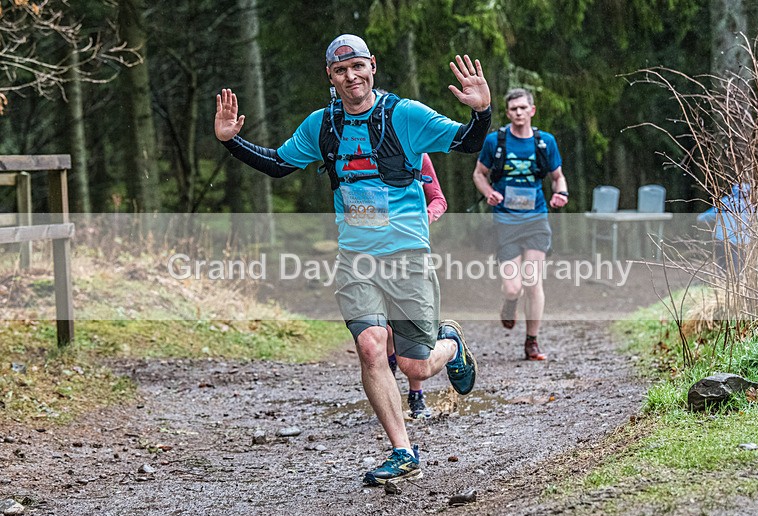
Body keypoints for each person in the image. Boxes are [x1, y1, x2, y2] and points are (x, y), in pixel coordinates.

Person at [215, 34, 490, 486]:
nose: (351, 76)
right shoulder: (321, 126)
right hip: (357, 258)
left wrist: (481, 112)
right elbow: (280, 164)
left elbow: (464, 143)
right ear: (330, 76)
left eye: (358, 66)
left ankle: (452, 345)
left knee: (415, 365)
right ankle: (403, 451)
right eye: (341, 70)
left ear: (373, 66)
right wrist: (232, 141)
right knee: (370, 347)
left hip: (406, 256)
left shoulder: (405, 115)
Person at [471, 88, 568, 361]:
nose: (518, 113)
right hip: (505, 221)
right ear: (508, 112)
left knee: (533, 280)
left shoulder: (545, 142)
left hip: (536, 219)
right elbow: (479, 174)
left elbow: (558, 177)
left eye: (523, 108)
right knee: (514, 287)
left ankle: (532, 341)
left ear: (532, 111)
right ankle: (510, 303)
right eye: (513, 109)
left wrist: (561, 193)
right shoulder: (495, 142)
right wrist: (489, 191)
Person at [387, 153, 447, 419]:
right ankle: (388, 393)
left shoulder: (418, 155)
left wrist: (425, 216)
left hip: (410, 252)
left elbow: (438, 199)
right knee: (381, 329)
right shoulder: (359, 152)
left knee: (408, 326)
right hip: (369, 252)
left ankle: (416, 394)